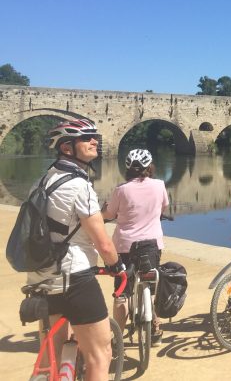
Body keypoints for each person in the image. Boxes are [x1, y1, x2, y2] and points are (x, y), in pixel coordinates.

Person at [27, 118, 125, 381]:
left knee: (52, 356)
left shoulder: (41, 181)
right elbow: (103, 242)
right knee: (100, 353)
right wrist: (117, 265)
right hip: (75, 278)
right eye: (87, 138)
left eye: (95, 137)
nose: (95, 141)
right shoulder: (80, 186)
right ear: (68, 148)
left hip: (41, 276)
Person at [101, 148, 170, 345]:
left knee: (122, 291)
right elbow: (162, 207)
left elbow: (109, 215)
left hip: (124, 246)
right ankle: (155, 327)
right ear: (150, 167)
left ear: (128, 169)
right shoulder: (159, 185)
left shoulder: (121, 190)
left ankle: (118, 337)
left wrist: (104, 211)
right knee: (149, 284)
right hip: (152, 244)